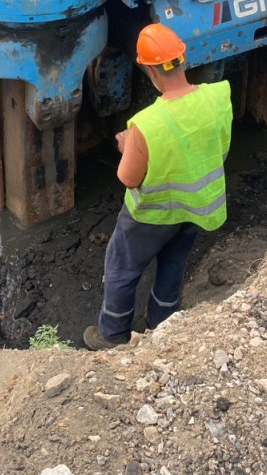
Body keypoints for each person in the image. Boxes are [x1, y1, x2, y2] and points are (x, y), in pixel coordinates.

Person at [83, 23, 232, 351]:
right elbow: (214, 146)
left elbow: (129, 178)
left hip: (150, 216)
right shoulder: (218, 96)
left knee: (122, 268)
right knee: (173, 262)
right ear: (182, 57)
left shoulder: (147, 124)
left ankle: (112, 335)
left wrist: (127, 147)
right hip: (195, 208)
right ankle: (163, 324)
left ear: (147, 69)